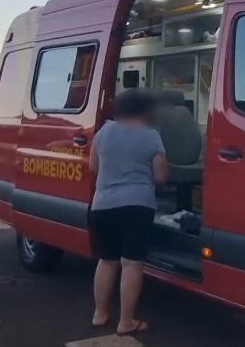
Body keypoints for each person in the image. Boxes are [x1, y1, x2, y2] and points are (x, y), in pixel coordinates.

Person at [88, 89, 169, 335]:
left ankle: (100, 314)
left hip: (102, 205)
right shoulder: (151, 136)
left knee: (107, 260)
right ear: (145, 111)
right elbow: (161, 176)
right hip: (137, 205)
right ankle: (126, 321)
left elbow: (93, 167)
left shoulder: (103, 132)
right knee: (131, 264)